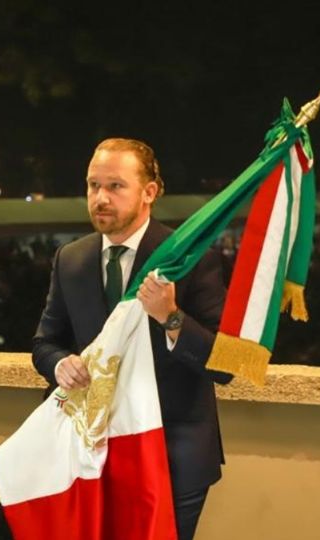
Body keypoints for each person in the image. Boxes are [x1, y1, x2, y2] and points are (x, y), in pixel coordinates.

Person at [30, 137, 230, 540]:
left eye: (115, 186)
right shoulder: (71, 259)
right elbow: (44, 343)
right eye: (93, 185)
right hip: (95, 454)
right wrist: (59, 363)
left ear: (149, 192)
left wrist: (171, 318)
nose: (100, 198)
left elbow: (225, 364)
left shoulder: (190, 257)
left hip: (174, 456)